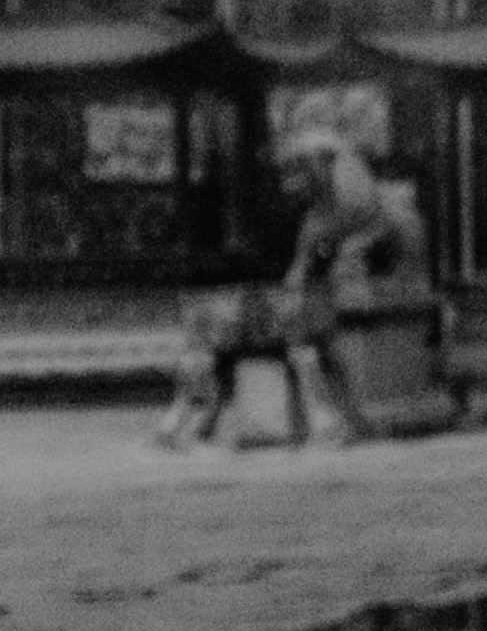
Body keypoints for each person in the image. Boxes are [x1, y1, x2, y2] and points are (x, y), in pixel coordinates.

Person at [156, 129, 419, 448]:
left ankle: (184, 425)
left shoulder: (317, 214)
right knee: (307, 354)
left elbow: (302, 262)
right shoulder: (316, 214)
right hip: (275, 303)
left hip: (269, 299)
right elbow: (300, 266)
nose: (298, 179)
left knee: (302, 355)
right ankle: (327, 422)